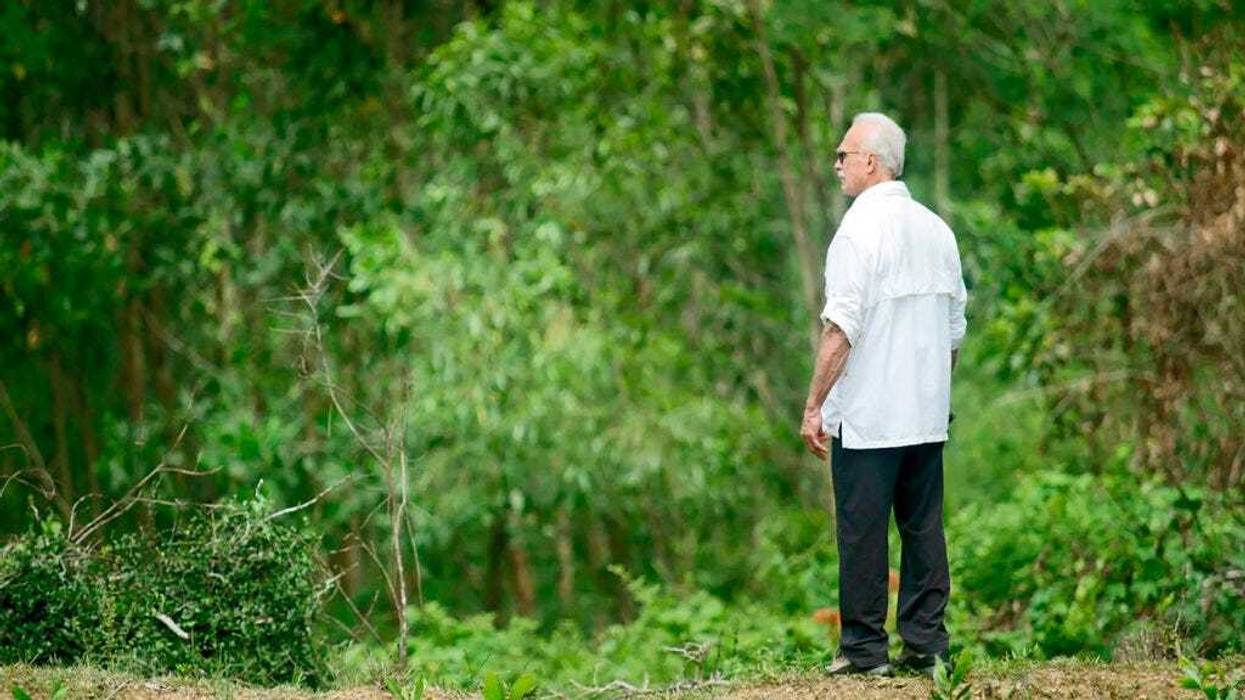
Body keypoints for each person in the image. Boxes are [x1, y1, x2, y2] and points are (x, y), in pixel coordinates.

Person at [799, 112, 967, 677]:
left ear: (871, 162)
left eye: (843, 155)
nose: (837, 164)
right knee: (923, 529)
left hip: (871, 416)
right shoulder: (936, 229)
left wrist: (814, 404)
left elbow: (840, 328)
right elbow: (954, 332)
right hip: (924, 414)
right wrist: (932, 389)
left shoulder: (857, 232)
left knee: (863, 530)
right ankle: (926, 644)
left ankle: (866, 652)